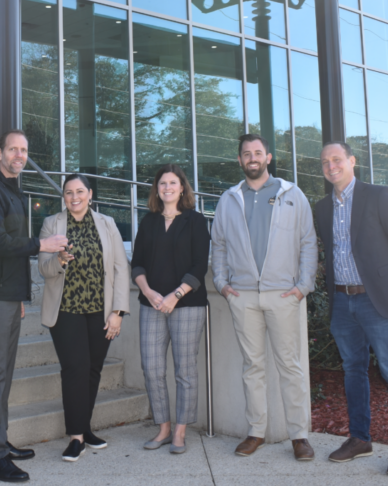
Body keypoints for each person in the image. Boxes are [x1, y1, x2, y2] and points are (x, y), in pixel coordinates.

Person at [0, 129, 69, 482]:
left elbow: (10, 252)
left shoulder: (12, 190)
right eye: (13, 149)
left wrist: (19, 296)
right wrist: (42, 244)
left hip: (6, 295)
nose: (19, 155)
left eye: (24, 150)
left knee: (3, 375)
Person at [211, 134, 318, 461]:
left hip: (283, 295)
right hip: (243, 297)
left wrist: (303, 286)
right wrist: (222, 283)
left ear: (268, 157)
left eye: (258, 153)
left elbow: (308, 243)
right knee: (252, 366)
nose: (252, 158)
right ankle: (256, 431)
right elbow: (218, 245)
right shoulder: (229, 199)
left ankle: (299, 436)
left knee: (290, 366)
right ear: (240, 160)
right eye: (246, 154)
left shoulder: (291, 194)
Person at [316, 141, 388, 476]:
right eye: (325, 162)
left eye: (337, 159)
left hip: (378, 300)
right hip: (343, 302)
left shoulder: (378, 195)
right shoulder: (322, 208)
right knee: (353, 371)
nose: (331, 166)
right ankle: (360, 439)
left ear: (351, 161)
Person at [38, 174, 130, 462]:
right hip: (66, 310)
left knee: (92, 369)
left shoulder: (107, 223)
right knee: (75, 368)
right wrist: (59, 261)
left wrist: (118, 312)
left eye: (80, 191)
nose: (74, 197)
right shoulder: (51, 224)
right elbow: (43, 269)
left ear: (90, 194)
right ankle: (76, 437)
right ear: (63, 197)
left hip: (100, 311)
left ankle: (85, 428)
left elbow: (120, 269)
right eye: (68, 192)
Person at [131, 164, 210, 455]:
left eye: (172, 182)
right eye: (162, 183)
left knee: (184, 370)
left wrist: (175, 295)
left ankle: (180, 431)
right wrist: (149, 291)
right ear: (156, 189)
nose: (167, 187)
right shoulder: (148, 221)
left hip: (186, 304)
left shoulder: (196, 221)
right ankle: (163, 427)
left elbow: (199, 267)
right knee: (151, 368)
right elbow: (136, 262)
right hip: (151, 304)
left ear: (182, 187)